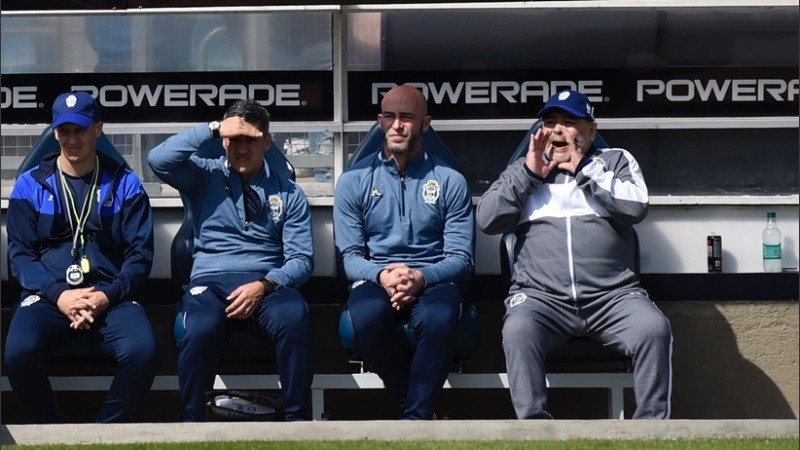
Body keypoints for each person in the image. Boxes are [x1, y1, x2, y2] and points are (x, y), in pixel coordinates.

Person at [476, 89, 673, 419]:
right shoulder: (522, 169)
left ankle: (650, 429)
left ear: (591, 130)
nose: (558, 130)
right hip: (542, 300)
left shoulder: (615, 161)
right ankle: (535, 431)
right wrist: (528, 174)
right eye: (551, 122)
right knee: (518, 330)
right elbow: (487, 219)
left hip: (613, 298)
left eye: (570, 122)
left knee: (653, 329)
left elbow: (636, 206)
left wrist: (584, 170)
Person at [147, 100, 314, 421]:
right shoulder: (202, 176)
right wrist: (213, 128)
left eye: (249, 139)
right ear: (223, 140)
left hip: (267, 286)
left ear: (266, 141)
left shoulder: (289, 192)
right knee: (199, 329)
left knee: (294, 316)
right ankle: (192, 425)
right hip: (211, 284)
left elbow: (302, 260)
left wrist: (264, 285)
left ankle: (297, 421)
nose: (241, 148)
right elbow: (158, 160)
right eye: (234, 139)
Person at [4, 91, 157, 423]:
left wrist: (107, 295)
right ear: (55, 133)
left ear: (98, 129)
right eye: (64, 131)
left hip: (110, 296)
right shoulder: (29, 185)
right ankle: (53, 434)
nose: (72, 139)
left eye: (81, 130)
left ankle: (105, 434)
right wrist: (59, 295)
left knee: (142, 352)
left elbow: (139, 256)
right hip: (49, 296)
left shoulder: (125, 183)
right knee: (17, 353)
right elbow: (20, 256)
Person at [333, 85, 475, 420]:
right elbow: (350, 258)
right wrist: (383, 276)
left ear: (425, 123)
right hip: (375, 278)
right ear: (380, 121)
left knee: (438, 317)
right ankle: (419, 413)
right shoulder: (353, 181)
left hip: (434, 278)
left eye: (407, 117)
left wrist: (419, 277)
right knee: (367, 315)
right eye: (391, 117)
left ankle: (414, 418)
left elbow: (461, 260)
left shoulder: (450, 180)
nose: (398, 125)